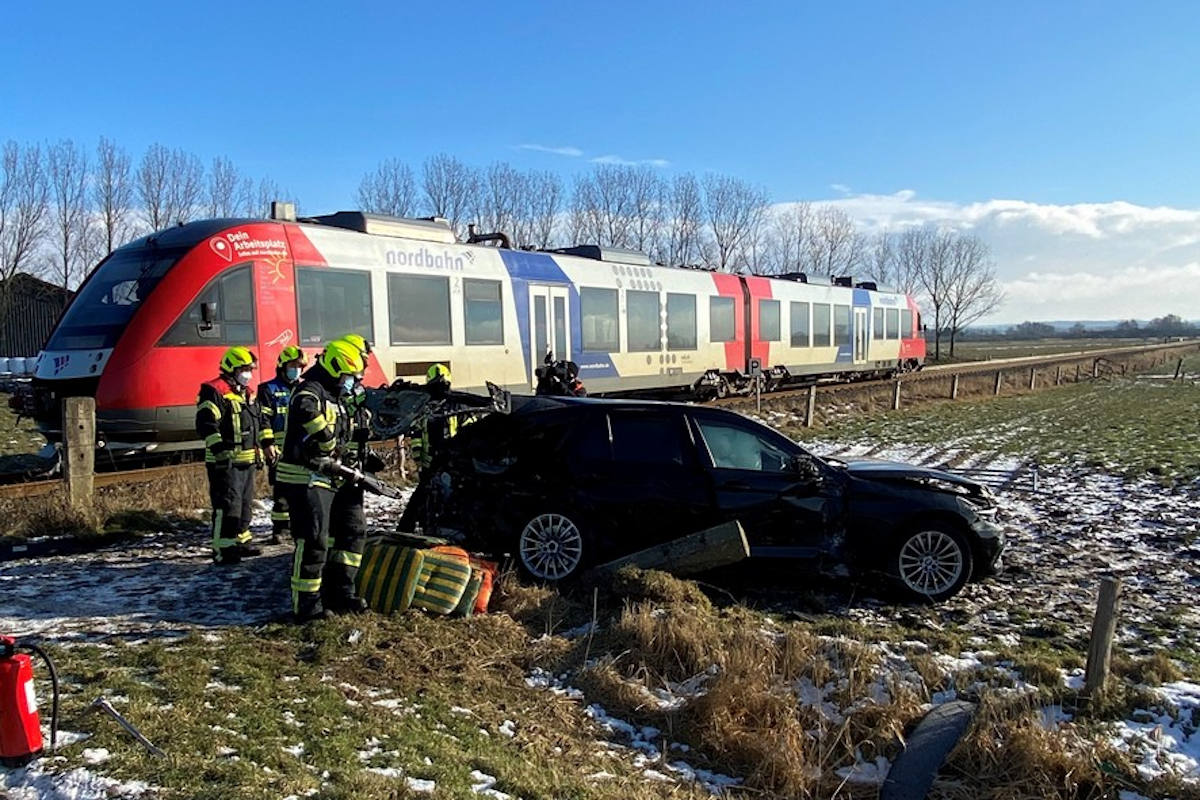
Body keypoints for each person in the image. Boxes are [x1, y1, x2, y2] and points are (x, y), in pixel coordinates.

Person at [276, 340, 367, 621]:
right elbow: (306, 410)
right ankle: (307, 606)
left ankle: (342, 593)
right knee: (314, 539)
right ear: (335, 367)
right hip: (306, 476)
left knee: (353, 532)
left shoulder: (338, 396)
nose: (351, 381)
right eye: (348, 376)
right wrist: (326, 440)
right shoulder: (310, 390)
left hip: (335, 477)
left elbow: (346, 432)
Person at [195, 346, 263, 565]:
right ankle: (223, 549)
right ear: (231, 369)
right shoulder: (215, 390)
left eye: (250, 369)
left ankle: (241, 542)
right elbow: (206, 424)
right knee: (227, 506)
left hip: (247, 461)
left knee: (244, 505)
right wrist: (219, 451)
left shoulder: (247, 393)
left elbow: (257, 423)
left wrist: (262, 448)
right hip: (225, 463)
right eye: (244, 369)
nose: (248, 374)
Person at [397, 363, 459, 533]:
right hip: (437, 463)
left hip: (444, 462)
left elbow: (417, 437)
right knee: (424, 498)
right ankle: (413, 529)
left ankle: (414, 528)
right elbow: (417, 436)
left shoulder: (430, 406)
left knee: (427, 497)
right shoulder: (436, 406)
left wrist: (419, 461)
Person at [256, 346, 308, 544]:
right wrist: (267, 443)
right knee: (282, 492)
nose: (297, 370)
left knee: (303, 490)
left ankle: (299, 527)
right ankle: (280, 529)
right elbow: (263, 420)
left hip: (302, 449)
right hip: (279, 450)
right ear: (283, 366)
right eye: (293, 365)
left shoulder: (306, 389)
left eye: (300, 366)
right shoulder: (268, 389)